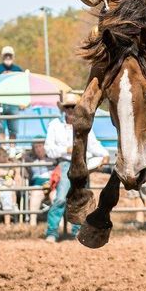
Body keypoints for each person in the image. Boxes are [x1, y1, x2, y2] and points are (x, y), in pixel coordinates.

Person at [43, 93, 110, 243]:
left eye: (73, 107)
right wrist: (65, 150)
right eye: (68, 107)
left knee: (81, 199)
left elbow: (93, 145)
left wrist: (104, 155)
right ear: (63, 109)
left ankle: (77, 232)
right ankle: (52, 232)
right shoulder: (55, 125)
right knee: (60, 199)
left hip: (82, 164)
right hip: (65, 164)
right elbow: (49, 149)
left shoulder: (83, 125)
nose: (70, 110)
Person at [22, 140, 54, 225]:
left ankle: (58, 224)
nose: (38, 149)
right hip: (37, 185)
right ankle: (33, 224)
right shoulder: (30, 159)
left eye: (40, 146)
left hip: (52, 184)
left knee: (55, 197)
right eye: (36, 147)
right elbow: (21, 158)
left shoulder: (53, 158)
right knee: (34, 196)